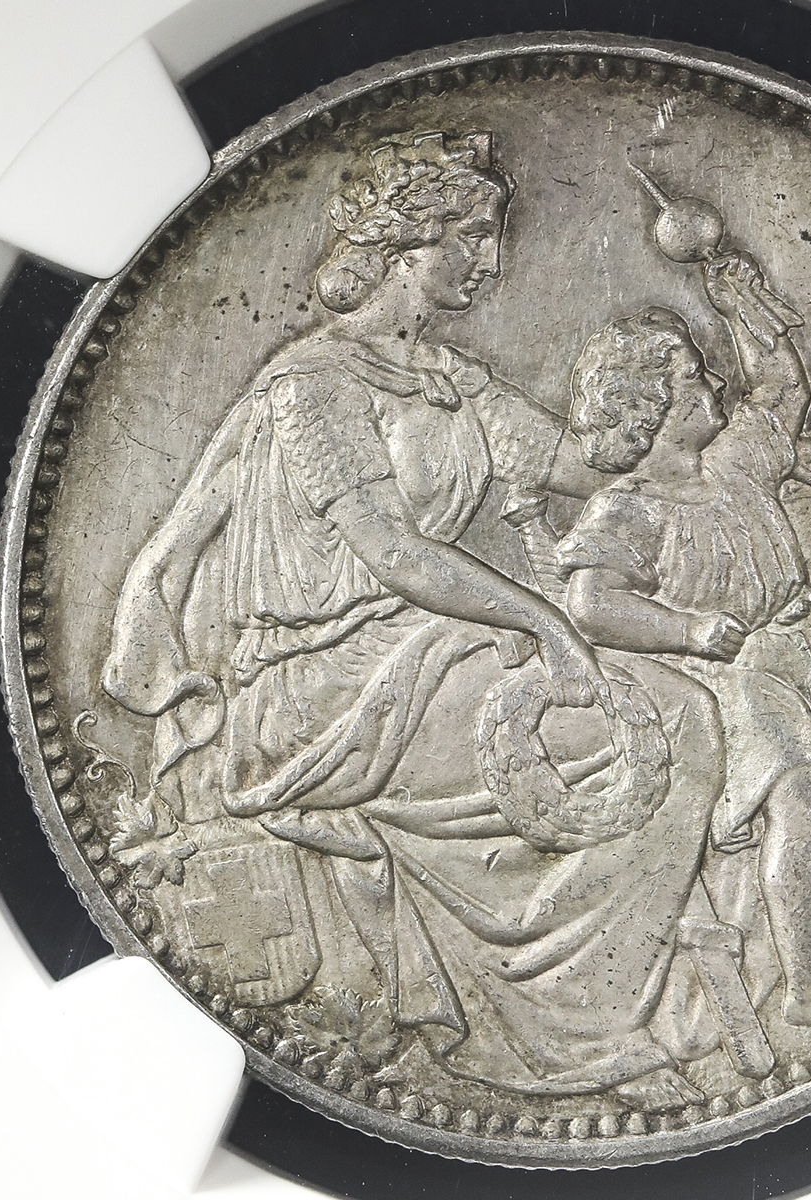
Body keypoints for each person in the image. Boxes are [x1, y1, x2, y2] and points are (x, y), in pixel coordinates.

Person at [101, 130, 727, 1108]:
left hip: (425, 656)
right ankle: (559, 1030)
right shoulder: (315, 387)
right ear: (403, 242)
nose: (491, 258)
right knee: (669, 720)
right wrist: (548, 624)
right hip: (323, 690)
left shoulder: (451, 380)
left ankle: (578, 1004)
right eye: (470, 235)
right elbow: (391, 552)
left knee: (684, 715)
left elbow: (582, 463)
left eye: (493, 235)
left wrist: (664, 368)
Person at [559, 257, 811, 1035]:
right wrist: (690, 630)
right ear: (652, 407)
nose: (715, 384)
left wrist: (740, 305)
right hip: (730, 673)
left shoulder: (735, 464)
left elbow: (784, 390)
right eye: (695, 377)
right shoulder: (628, 508)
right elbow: (591, 604)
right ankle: (805, 988)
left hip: (804, 643)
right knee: (807, 798)